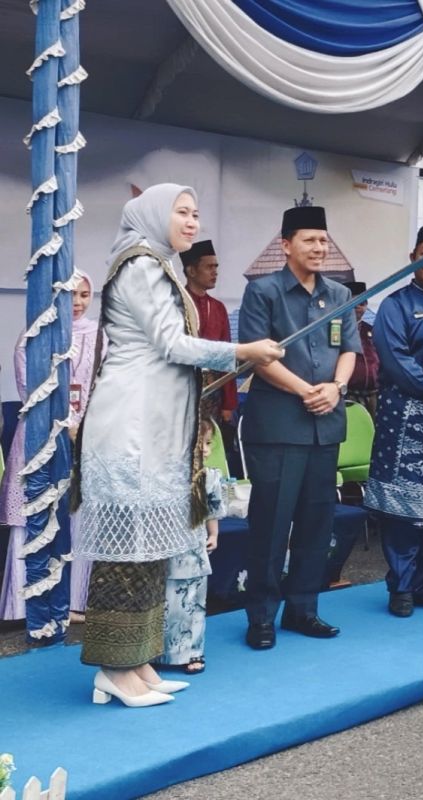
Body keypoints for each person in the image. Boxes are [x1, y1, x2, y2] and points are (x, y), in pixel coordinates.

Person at [74, 183, 281, 706]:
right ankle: (113, 670)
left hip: (155, 429)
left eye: (195, 213)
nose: (192, 221)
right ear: (152, 215)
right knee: (126, 555)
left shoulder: (157, 265)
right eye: (182, 212)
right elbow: (171, 344)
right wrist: (242, 350)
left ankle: (137, 661)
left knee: (149, 553)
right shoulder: (141, 265)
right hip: (131, 430)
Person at [238, 205, 360, 650]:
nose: (318, 248)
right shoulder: (264, 292)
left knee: (316, 522)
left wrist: (336, 388)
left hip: (325, 424)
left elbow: (349, 348)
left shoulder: (339, 294)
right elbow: (256, 357)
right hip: (278, 425)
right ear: (286, 245)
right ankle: (262, 617)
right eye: (309, 240)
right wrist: (307, 390)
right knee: (270, 524)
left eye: (323, 241)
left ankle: (304, 609)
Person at [1, 270, 99, 627]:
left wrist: (84, 427)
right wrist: (65, 425)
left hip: (84, 437)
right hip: (38, 436)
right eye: (71, 295)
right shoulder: (33, 336)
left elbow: (100, 386)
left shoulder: (99, 336)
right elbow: (30, 392)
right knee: (33, 516)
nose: (78, 303)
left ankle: (75, 603)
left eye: (85, 295)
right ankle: (23, 605)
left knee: (79, 517)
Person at [365, 224, 423, 617]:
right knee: (403, 507)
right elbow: (395, 359)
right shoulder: (395, 305)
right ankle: (400, 585)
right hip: (406, 414)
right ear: (412, 256)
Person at [158, 418, 224, 675]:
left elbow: (213, 509)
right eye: (200, 444)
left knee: (194, 603)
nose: (205, 449)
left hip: (195, 550)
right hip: (167, 547)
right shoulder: (166, 477)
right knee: (166, 602)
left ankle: (194, 652)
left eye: (208, 444)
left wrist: (214, 534)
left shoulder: (210, 477)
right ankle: (160, 652)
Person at [181, 240, 237, 426]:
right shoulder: (174, 303)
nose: (215, 272)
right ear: (191, 271)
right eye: (209, 267)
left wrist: (228, 403)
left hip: (213, 393)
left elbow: (227, 356)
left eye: (216, 267)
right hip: (180, 391)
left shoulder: (218, 308)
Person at [343, 281, 380, 416]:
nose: (358, 307)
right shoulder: (335, 331)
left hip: (374, 394)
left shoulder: (373, 329)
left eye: (363, 303)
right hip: (348, 395)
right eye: (354, 303)